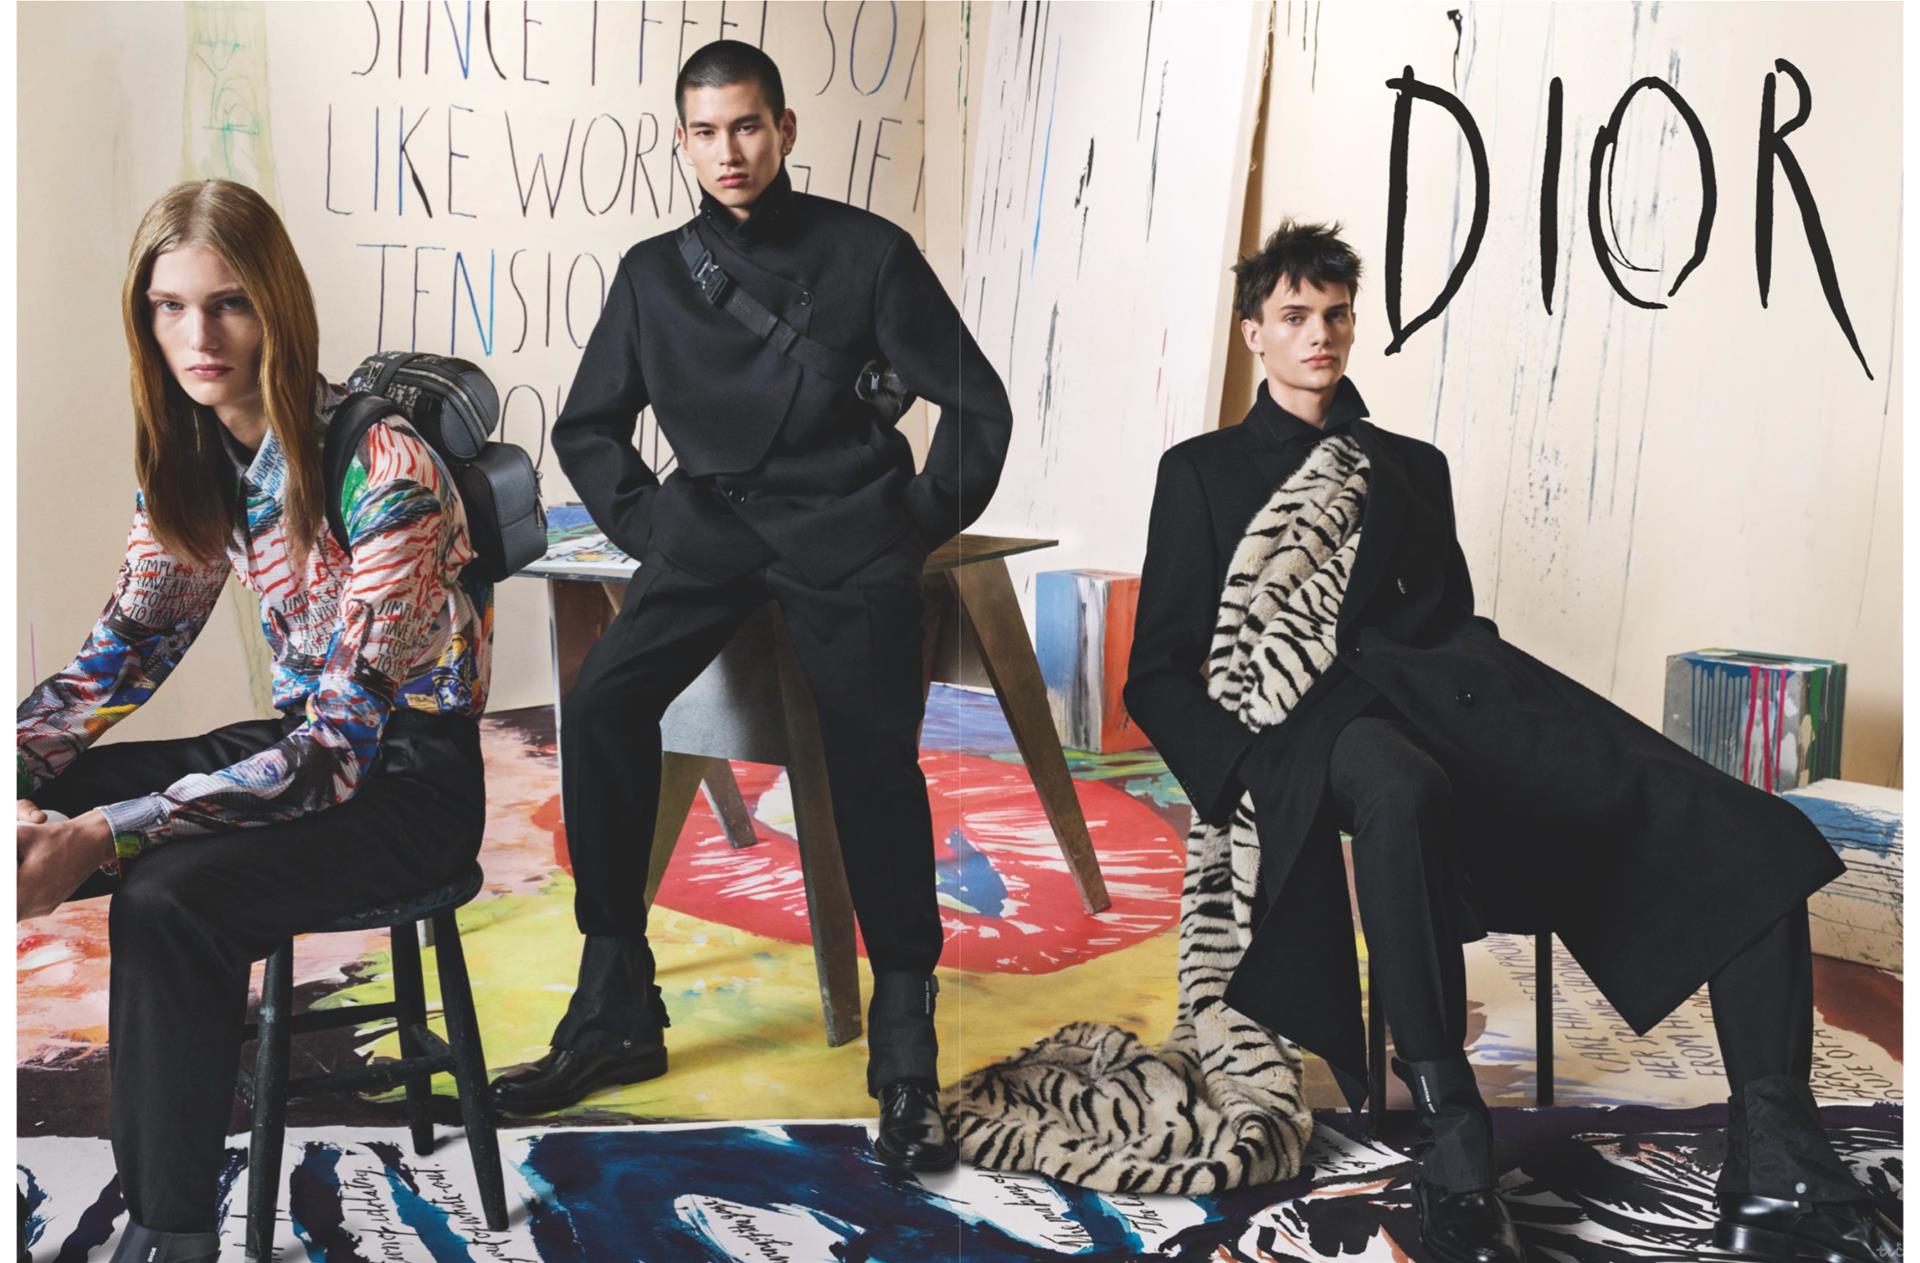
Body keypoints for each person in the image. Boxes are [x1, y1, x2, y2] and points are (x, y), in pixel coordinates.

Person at [1123, 220, 1898, 1263]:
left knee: (1743, 826)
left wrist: (1510, 718)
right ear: (1253, 330)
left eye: (1336, 315)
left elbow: (1449, 618)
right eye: (1295, 316)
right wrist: (1246, 772)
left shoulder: (1409, 467)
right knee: (1399, 788)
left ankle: (1777, 1157)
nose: (1321, 335)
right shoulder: (1201, 472)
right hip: (1311, 731)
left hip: (1450, 701)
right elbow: (1158, 670)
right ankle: (1455, 1148)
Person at [486, 40, 1011, 1173]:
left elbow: (979, 404)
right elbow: (589, 426)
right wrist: (657, 529)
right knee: (605, 703)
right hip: (711, 534)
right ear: (682, 142)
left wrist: (912, 521)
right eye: (706, 132)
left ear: (783, 129)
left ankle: (906, 1051)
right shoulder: (652, 273)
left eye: (748, 126)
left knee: (874, 765)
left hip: (847, 538)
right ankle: (615, 1005)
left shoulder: (870, 253)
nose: (729, 151)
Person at [15, 179, 492, 1263]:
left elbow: (337, 753)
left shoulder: (386, 470)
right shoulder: (195, 459)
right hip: (303, 745)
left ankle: (169, 1233)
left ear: (276, 305)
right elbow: (124, 649)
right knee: (63, 793)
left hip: (406, 786)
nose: (199, 337)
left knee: (167, 894)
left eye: (227, 303)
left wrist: (102, 836)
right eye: (169, 307)